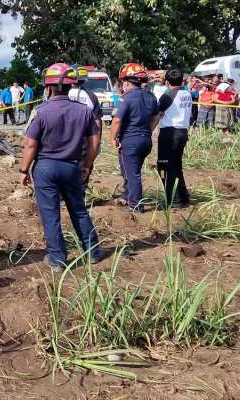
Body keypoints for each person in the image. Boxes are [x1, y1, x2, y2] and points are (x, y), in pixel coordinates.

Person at [19, 63, 103, 270]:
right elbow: (95, 142)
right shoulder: (84, 111)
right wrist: (87, 165)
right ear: (70, 85)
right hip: (72, 167)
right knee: (79, 210)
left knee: (50, 215)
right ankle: (93, 252)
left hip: (45, 168)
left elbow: (30, 144)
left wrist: (23, 170)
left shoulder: (41, 112)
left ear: (48, 87)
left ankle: (57, 259)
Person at [110, 63, 158, 213]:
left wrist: (112, 138)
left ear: (126, 82)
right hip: (145, 141)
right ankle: (127, 196)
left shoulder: (126, 98)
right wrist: (148, 131)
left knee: (132, 175)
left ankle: (136, 205)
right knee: (131, 171)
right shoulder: (151, 97)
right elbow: (156, 117)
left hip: (130, 141)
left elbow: (117, 120)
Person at [155, 69, 192, 208]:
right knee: (176, 165)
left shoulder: (168, 96)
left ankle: (172, 199)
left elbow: (157, 114)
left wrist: (147, 130)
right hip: (182, 132)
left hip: (170, 133)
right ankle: (183, 197)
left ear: (167, 82)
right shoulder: (186, 93)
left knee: (164, 166)